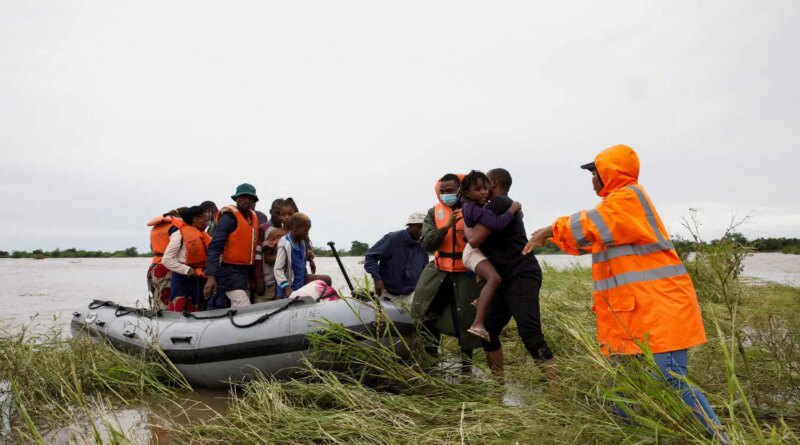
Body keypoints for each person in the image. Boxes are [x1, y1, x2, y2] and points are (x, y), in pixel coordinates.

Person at [523, 144, 725, 438]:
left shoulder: (628, 199)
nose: (592, 180)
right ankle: (631, 435)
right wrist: (555, 237)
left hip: (659, 311)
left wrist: (549, 229)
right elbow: (584, 240)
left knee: (671, 381)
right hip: (634, 314)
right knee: (625, 382)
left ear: (608, 173)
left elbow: (587, 225)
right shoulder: (616, 211)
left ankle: (719, 439)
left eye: (594, 173)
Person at [467, 168, 555, 380]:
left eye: (484, 183)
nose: (482, 189)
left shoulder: (499, 204)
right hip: (505, 278)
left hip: (521, 275)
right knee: (488, 330)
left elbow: (475, 239)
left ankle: (557, 391)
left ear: (494, 182)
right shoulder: (499, 207)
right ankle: (499, 385)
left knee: (530, 335)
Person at [410, 173, 482, 363]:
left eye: (450, 191)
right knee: (425, 314)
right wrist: (446, 227)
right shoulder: (434, 213)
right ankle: (431, 360)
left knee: (466, 320)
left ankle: (466, 368)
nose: (445, 195)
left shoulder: (476, 208)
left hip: (466, 273)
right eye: (442, 191)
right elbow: (426, 243)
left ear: (460, 190)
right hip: (439, 272)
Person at [458, 170, 522, 342]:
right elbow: (497, 223)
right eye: (478, 189)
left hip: (477, 251)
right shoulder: (478, 210)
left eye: (485, 188)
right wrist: (513, 208)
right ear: (467, 192)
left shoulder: (469, 203)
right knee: (494, 278)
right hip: (472, 252)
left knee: (489, 279)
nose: (484, 192)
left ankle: (480, 301)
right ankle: (477, 324)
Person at [203, 183, 261, 309]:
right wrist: (210, 277)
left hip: (244, 273)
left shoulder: (252, 219)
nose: (247, 200)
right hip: (228, 272)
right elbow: (215, 247)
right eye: (244, 197)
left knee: (239, 304)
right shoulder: (228, 218)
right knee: (243, 305)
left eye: (250, 198)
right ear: (236, 199)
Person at [363, 212, 429, 304]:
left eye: (425, 228)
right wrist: (377, 279)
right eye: (419, 227)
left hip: (410, 295)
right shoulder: (392, 238)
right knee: (385, 317)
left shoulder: (423, 245)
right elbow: (370, 257)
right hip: (387, 293)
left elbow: (424, 269)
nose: (422, 231)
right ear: (410, 225)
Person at [162, 206, 211, 312]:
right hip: (183, 278)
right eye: (206, 220)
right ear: (196, 220)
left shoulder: (203, 235)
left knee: (200, 306)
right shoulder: (179, 234)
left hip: (200, 276)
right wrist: (187, 270)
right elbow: (166, 259)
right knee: (182, 306)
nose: (208, 224)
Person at [274, 212, 331, 297]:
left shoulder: (302, 243)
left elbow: (302, 256)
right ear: (295, 228)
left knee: (327, 279)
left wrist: (311, 261)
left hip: (302, 279)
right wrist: (286, 287)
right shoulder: (285, 244)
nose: (307, 233)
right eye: (306, 230)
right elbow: (277, 269)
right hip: (290, 284)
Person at [146, 209, 181, 310]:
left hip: (154, 267)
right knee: (166, 301)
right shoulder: (175, 227)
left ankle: (155, 322)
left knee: (157, 298)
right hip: (167, 268)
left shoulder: (155, 228)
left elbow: (152, 247)